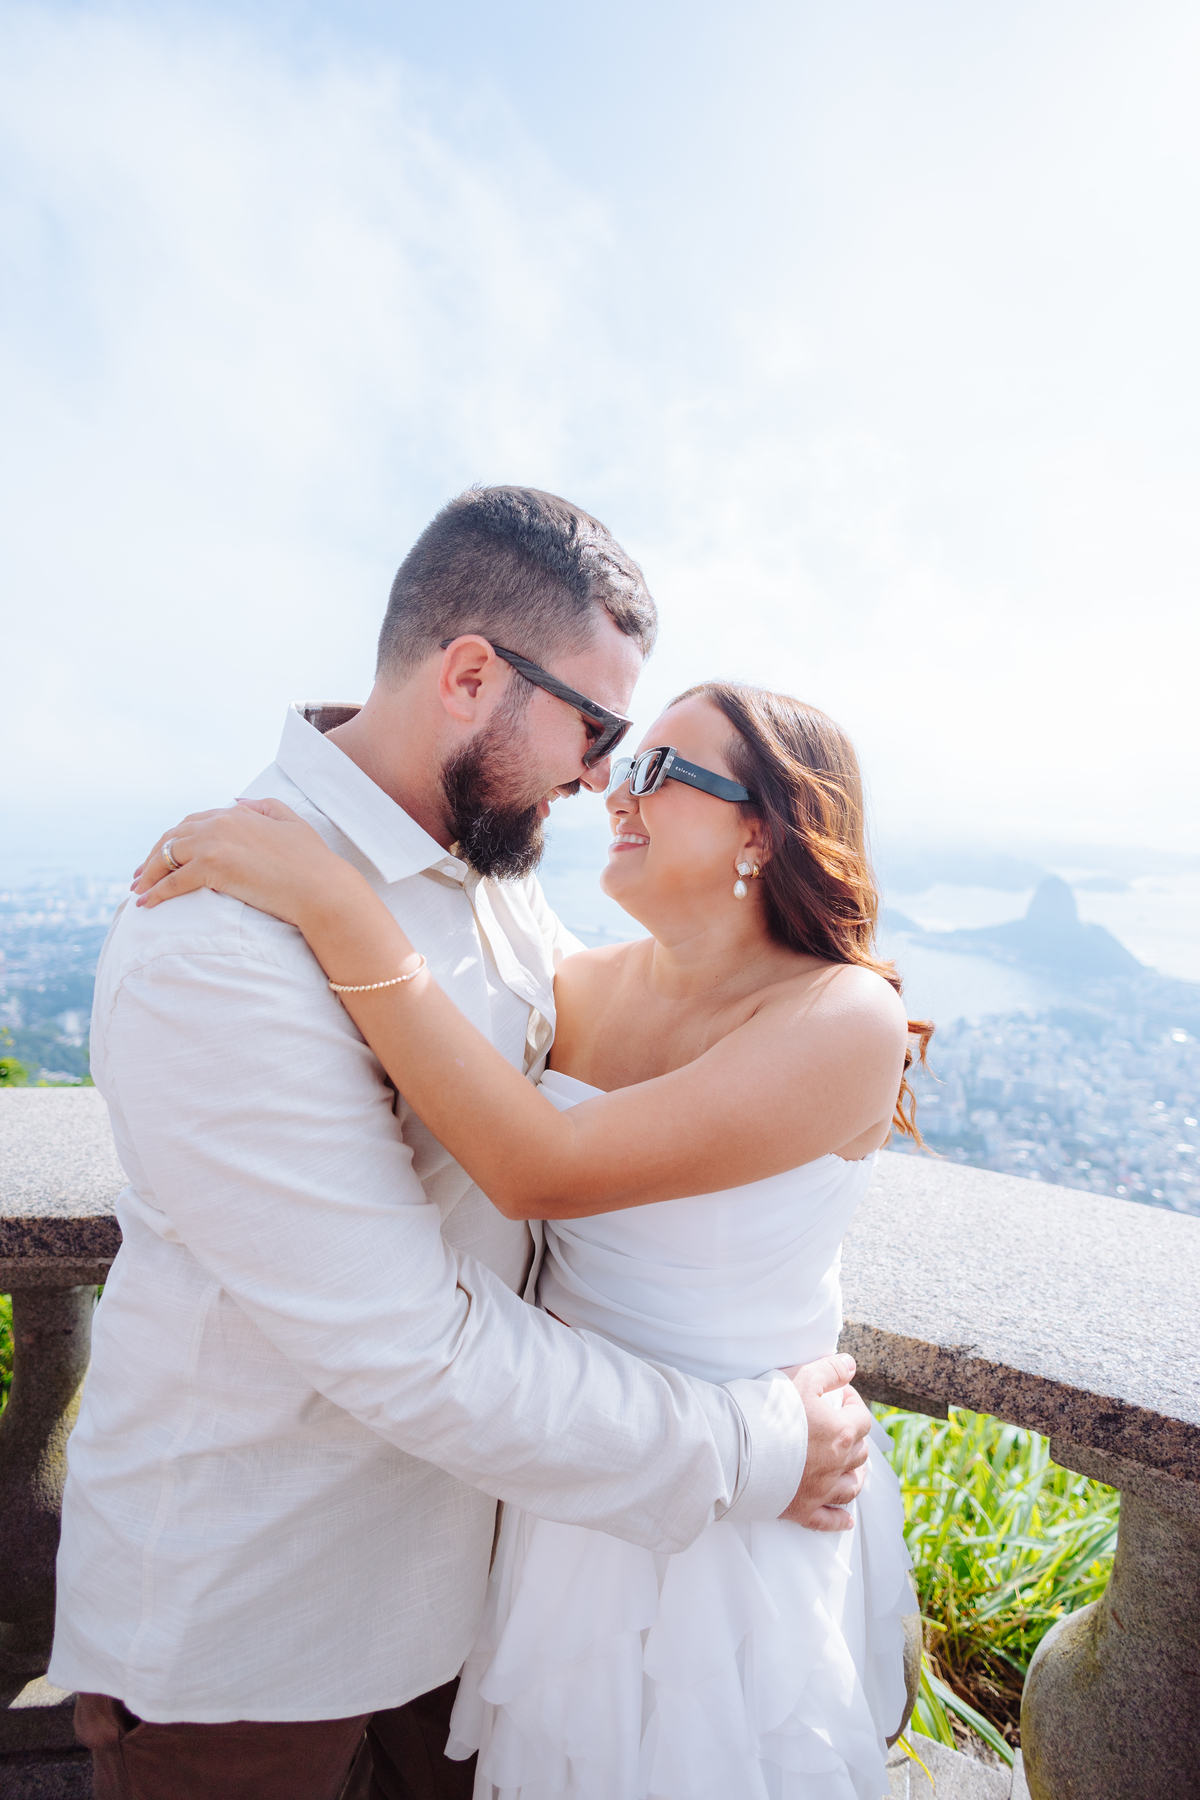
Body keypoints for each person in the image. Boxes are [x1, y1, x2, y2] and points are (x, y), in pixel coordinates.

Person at [51, 486, 875, 1800]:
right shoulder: (217, 942)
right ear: (474, 675)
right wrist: (753, 1447)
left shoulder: (488, 879)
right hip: (259, 1629)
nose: (604, 773)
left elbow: (579, 1078)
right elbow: (411, 1346)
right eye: (599, 728)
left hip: (478, 1601)